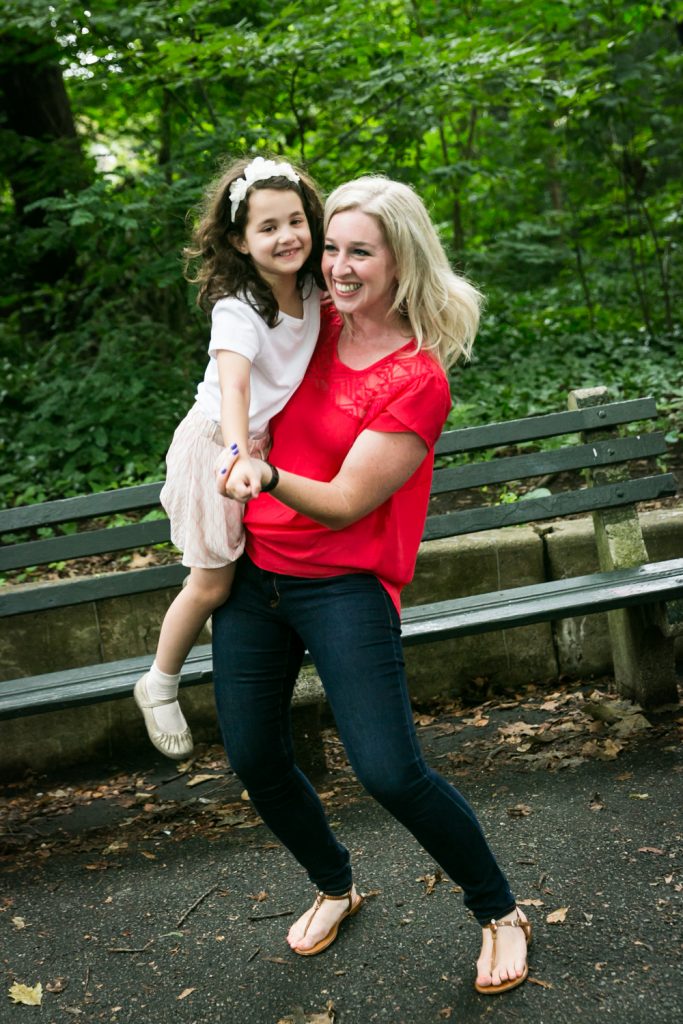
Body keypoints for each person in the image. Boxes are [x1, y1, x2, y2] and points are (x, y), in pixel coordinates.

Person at [213, 175, 532, 994]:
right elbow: (239, 327)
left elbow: (347, 501)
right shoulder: (307, 321)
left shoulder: (416, 379)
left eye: (361, 252)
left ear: (402, 261)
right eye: (332, 248)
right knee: (254, 757)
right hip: (255, 577)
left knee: (389, 771)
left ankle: (499, 910)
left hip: (342, 586)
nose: (338, 266)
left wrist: (263, 472)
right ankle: (334, 884)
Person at [134, 156, 325, 760]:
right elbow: (236, 385)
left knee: (252, 574)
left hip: (262, 448)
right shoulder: (238, 307)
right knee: (212, 582)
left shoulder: (315, 286)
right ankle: (158, 682)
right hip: (218, 444)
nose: (286, 236)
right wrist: (238, 454)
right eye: (268, 227)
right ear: (241, 241)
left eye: (295, 221)